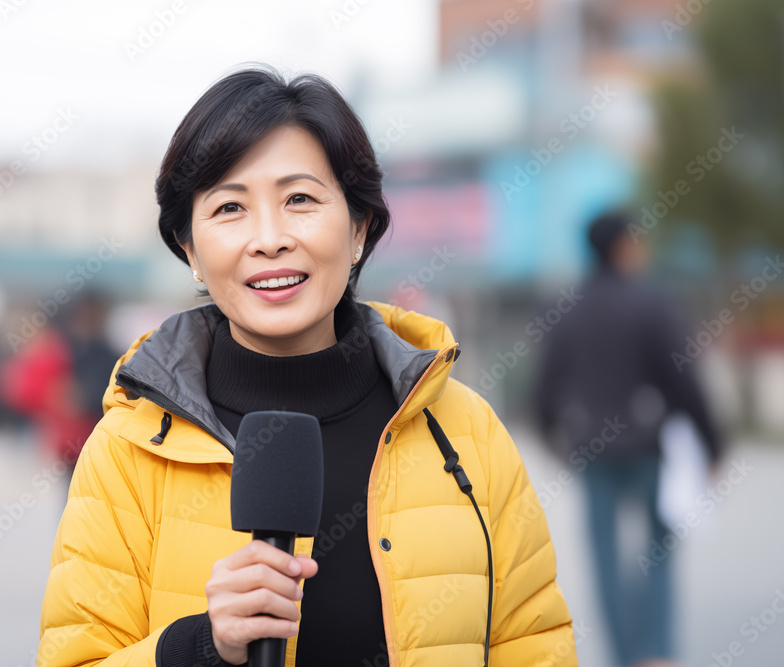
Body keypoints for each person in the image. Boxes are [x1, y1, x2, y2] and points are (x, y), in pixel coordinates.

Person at [37, 64, 577, 667]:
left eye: (299, 199)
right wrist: (199, 648)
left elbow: (536, 647)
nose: (268, 238)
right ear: (189, 247)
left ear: (359, 229)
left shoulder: (465, 432)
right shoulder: (126, 451)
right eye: (228, 208)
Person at [533, 212, 724, 667]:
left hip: (590, 450)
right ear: (622, 245)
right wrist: (710, 443)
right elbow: (683, 381)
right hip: (647, 444)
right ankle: (655, 651)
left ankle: (623, 655)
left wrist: (556, 441)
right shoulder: (651, 302)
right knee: (656, 549)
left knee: (605, 558)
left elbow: (545, 389)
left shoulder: (570, 307)